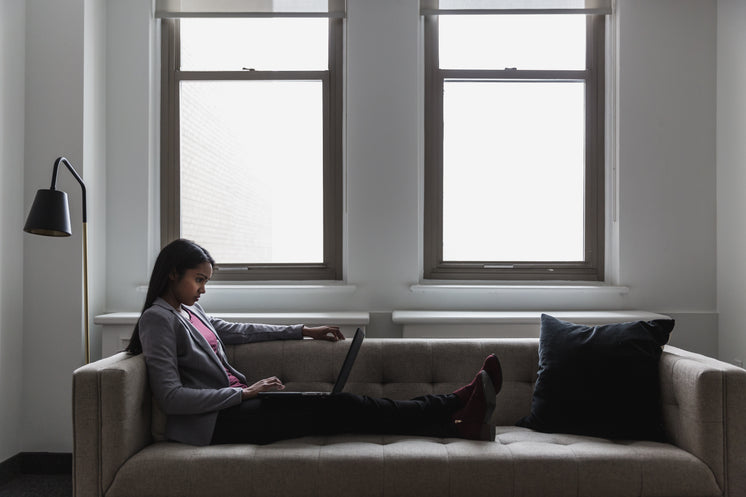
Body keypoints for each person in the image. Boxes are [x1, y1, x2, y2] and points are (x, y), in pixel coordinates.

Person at [126, 239, 503, 446]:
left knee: (343, 407)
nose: (203, 289)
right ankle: (454, 405)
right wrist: (245, 394)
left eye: (206, 281)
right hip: (220, 424)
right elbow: (171, 397)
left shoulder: (190, 312)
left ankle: (455, 419)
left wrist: (304, 330)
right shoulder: (157, 319)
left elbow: (240, 330)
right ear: (172, 273)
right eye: (198, 279)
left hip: (243, 408)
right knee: (344, 407)